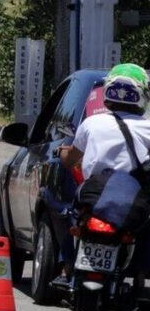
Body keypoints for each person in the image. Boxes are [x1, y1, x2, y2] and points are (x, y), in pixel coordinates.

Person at [59, 64, 150, 294]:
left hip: (93, 198)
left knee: (66, 213)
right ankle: (139, 276)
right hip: (133, 202)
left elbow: (71, 160)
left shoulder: (92, 123)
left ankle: (67, 268)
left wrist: (63, 153)